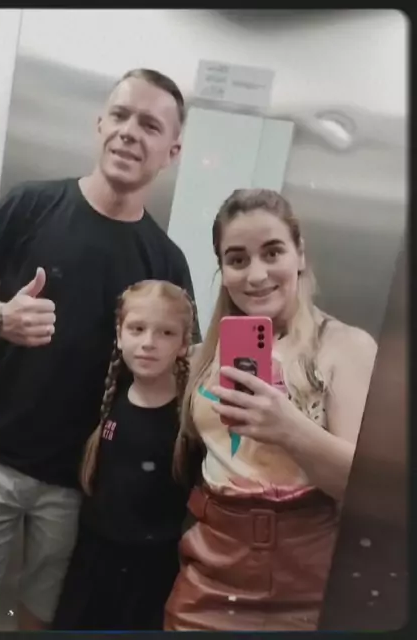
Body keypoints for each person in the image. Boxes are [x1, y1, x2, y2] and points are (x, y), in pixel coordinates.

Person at [0, 68, 199, 631]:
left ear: (172, 151)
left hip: (82, 486)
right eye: (121, 115)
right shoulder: (31, 205)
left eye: (150, 125)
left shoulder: (165, 262)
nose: (130, 131)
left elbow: (186, 371)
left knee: (44, 622)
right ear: (100, 123)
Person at [164, 188, 378, 632]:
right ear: (223, 270)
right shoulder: (210, 353)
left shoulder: (345, 347)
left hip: (305, 579)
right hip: (209, 565)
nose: (256, 274)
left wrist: (288, 427)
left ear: (300, 254)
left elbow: (367, 489)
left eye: (273, 252)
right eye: (237, 259)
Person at [51, 280, 201, 631]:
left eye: (166, 332)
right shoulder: (104, 400)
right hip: (92, 563)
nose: (149, 342)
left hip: (154, 575)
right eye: (137, 329)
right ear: (119, 335)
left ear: (183, 344)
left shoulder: (191, 420)